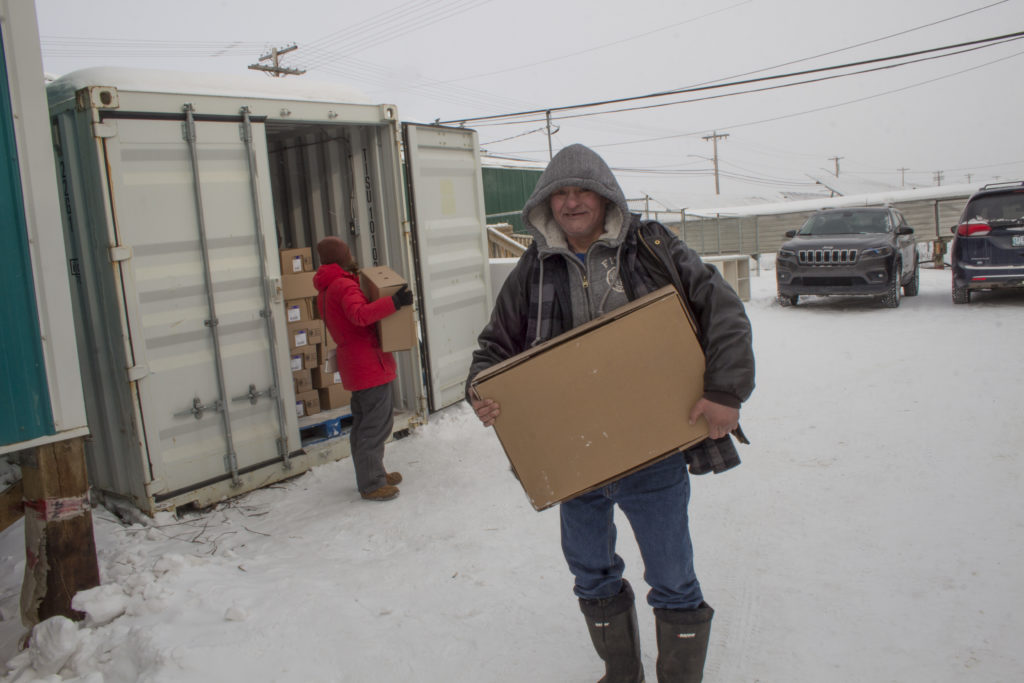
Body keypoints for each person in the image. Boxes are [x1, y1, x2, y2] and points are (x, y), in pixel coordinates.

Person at [466, 144, 754, 683]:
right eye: (560, 193)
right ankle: (621, 674)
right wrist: (481, 388)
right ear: (546, 205)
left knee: (671, 575)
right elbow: (492, 350)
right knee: (590, 572)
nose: (572, 202)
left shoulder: (651, 247)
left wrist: (726, 391)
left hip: (652, 454)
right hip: (576, 459)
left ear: (604, 197)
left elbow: (723, 311)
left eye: (582, 191)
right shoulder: (533, 268)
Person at [313, 236, 414, 502]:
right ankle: (372, 483)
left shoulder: (326, 288)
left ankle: (374, 472)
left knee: (365, 423)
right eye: (347, 252)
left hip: (355, 364)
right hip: (367, 363)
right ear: (341, 256)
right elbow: (360, 315)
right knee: (376, 424)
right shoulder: (343, 286)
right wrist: (395, 302)